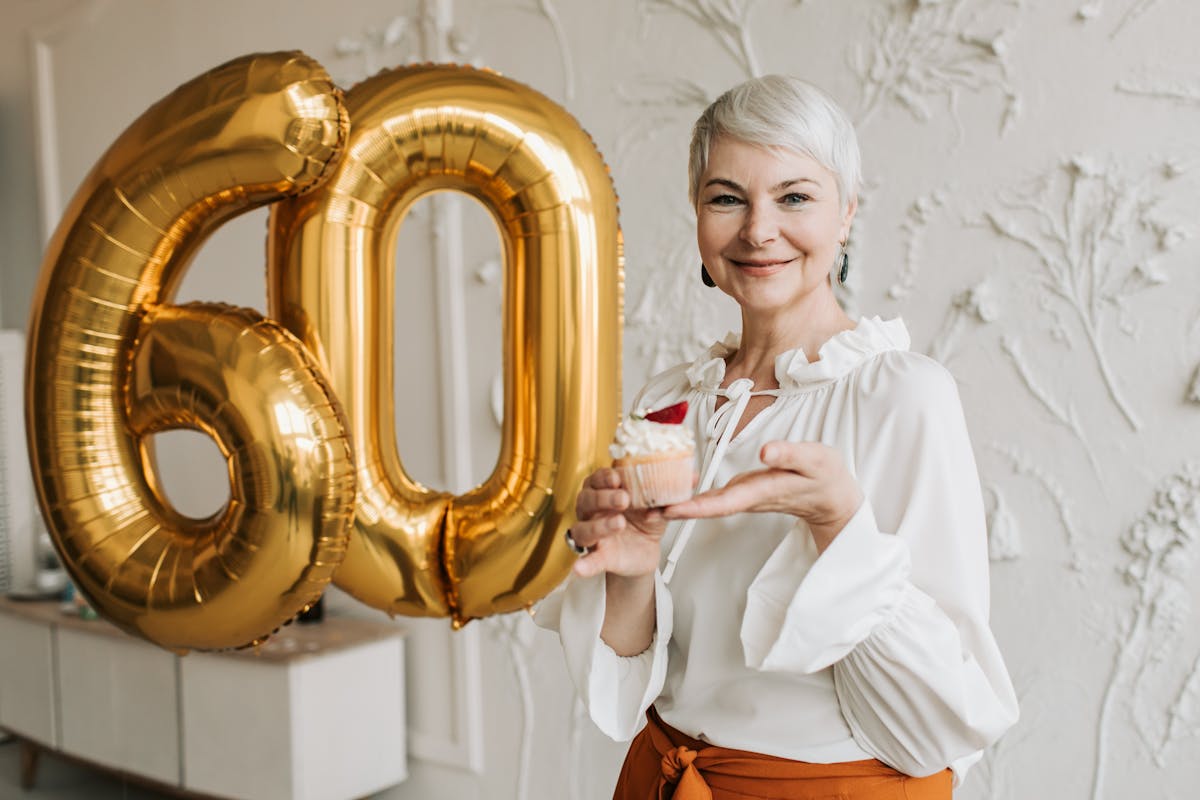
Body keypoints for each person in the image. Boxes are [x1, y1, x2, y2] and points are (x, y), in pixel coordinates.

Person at [536, 75, 1018, 799]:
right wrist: (632, 570)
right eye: (726, 197)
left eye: (794, 197)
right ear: (697, 215)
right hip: (663, 781)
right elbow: (629, 692)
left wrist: (837, 525)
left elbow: (943, 723)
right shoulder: (670, 401)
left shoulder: (904, 396)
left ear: (847, 212)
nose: (758, 230)